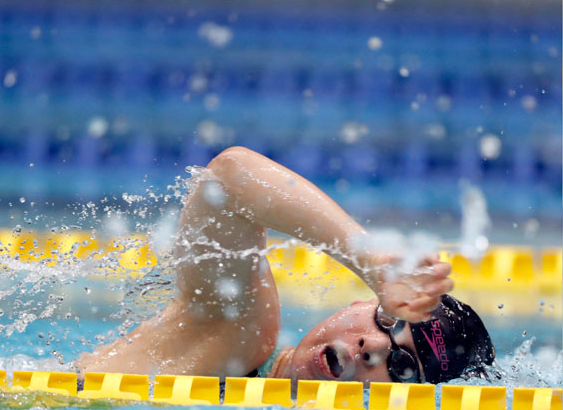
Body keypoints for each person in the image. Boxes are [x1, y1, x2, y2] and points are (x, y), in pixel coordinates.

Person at [75, 147, 495, 386]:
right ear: (354, 303)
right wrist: (370, 260)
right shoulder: (238, 336)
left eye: (401, 368)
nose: (373, 348)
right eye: (386, 322)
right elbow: (229, 177)